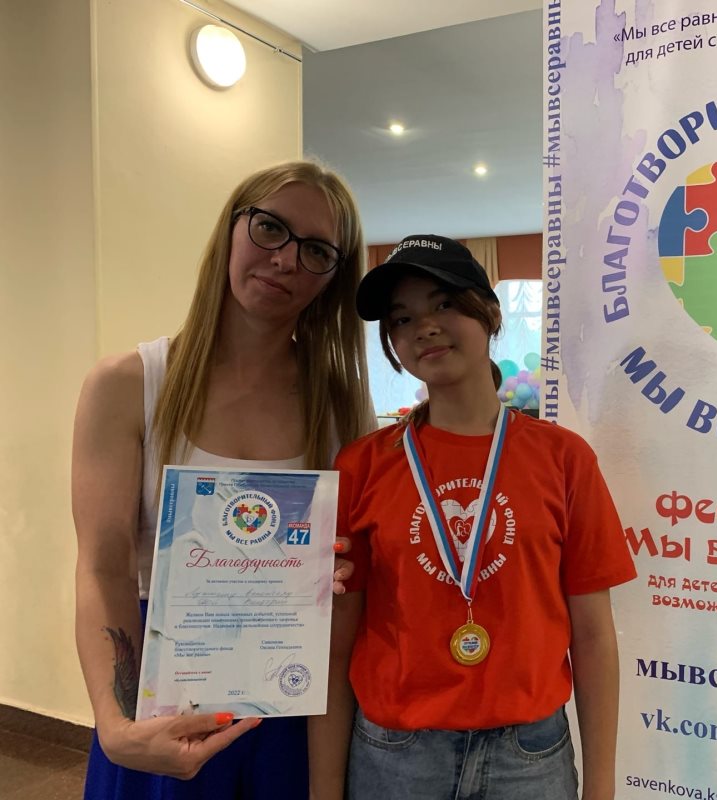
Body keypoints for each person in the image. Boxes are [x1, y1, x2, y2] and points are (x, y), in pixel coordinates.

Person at [72, 160, 374, 799]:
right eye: (271, 228)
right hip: (161, 699)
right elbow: (104, 568)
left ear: (333, 276)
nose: (286, 259)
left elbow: (353, 586)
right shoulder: (129, 385)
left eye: (317, 250)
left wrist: (341, 572)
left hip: (291, 707)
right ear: (232, 228)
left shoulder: (342, 407)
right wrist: (117, 725)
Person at [309, 235, 637, 800]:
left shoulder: (563, 459)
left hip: (529, 760)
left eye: (444, 304)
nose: (424, 327)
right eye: (402, 318)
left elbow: (592, 636)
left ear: (488, 313)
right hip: (395, 757)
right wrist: (323, 789)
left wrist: (601, 786)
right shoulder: (363, 465)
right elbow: (337, 641)